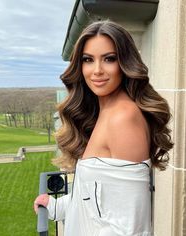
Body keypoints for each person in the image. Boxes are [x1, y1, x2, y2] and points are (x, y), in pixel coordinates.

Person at [34, 20, 173, 236]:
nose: (97, 70)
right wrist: (55, 206)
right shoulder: (104, 112)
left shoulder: (123, 119)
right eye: (88, 60)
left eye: (109, 59)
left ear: (125, 63)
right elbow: (98, 200)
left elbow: (130, 227)